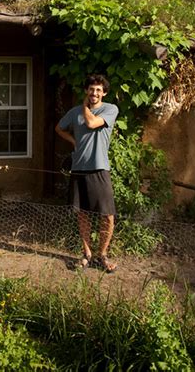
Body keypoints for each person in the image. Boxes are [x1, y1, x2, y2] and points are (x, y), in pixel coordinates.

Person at [55, 74, 119, 273]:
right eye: (91, 89)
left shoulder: (110, 109)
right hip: (79, 168)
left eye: (99, 90)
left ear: (104, 93)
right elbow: (59, 128)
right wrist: (74, 141)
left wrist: (84, 105)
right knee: (82, 214)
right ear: (86, 90)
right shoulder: (74, 112)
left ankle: (102, 255)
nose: (95, 93)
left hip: (99, 168)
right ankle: (87, 254)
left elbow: (91, 123)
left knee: (107, 215)